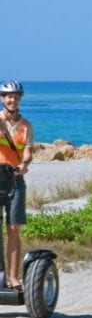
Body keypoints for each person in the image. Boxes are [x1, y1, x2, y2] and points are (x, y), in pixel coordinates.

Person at [0, 80, 34, 291]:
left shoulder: (25, 125)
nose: (12, 100)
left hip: (15, 179)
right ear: (3, 99)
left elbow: (28, 151)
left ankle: (13, 277)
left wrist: (24, 164)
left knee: (13, 228)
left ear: (20, 99)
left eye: (16, 96)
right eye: (8, 96)